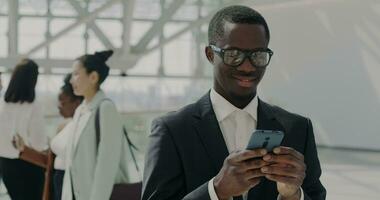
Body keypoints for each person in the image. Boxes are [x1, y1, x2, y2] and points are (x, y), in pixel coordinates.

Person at [142, 5, 326, 200]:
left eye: (258, 55)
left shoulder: (297, 129)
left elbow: (316, 196)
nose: (247, 67)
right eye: (233, 55)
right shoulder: (172, 130)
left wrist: (293, 195)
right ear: (210, 55)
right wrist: (216, 190)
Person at [61, 50, 131, 200]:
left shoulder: (106, 109)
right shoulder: (80, 110)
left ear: (93, 77)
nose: (71, 80)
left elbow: (107, 164)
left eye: (76, 74)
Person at [12, 73, 83, 200]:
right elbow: (49, 163)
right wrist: (23, 149)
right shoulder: (62, 127)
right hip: (57, 188)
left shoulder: (84, 128)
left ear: (76, 103)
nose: (58, 107)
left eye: (62, 102)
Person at [0, 58, 48, 200]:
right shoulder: (34, 106)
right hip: (29, 163)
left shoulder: (2, 105)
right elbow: (39, 143)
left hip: (5, 164)